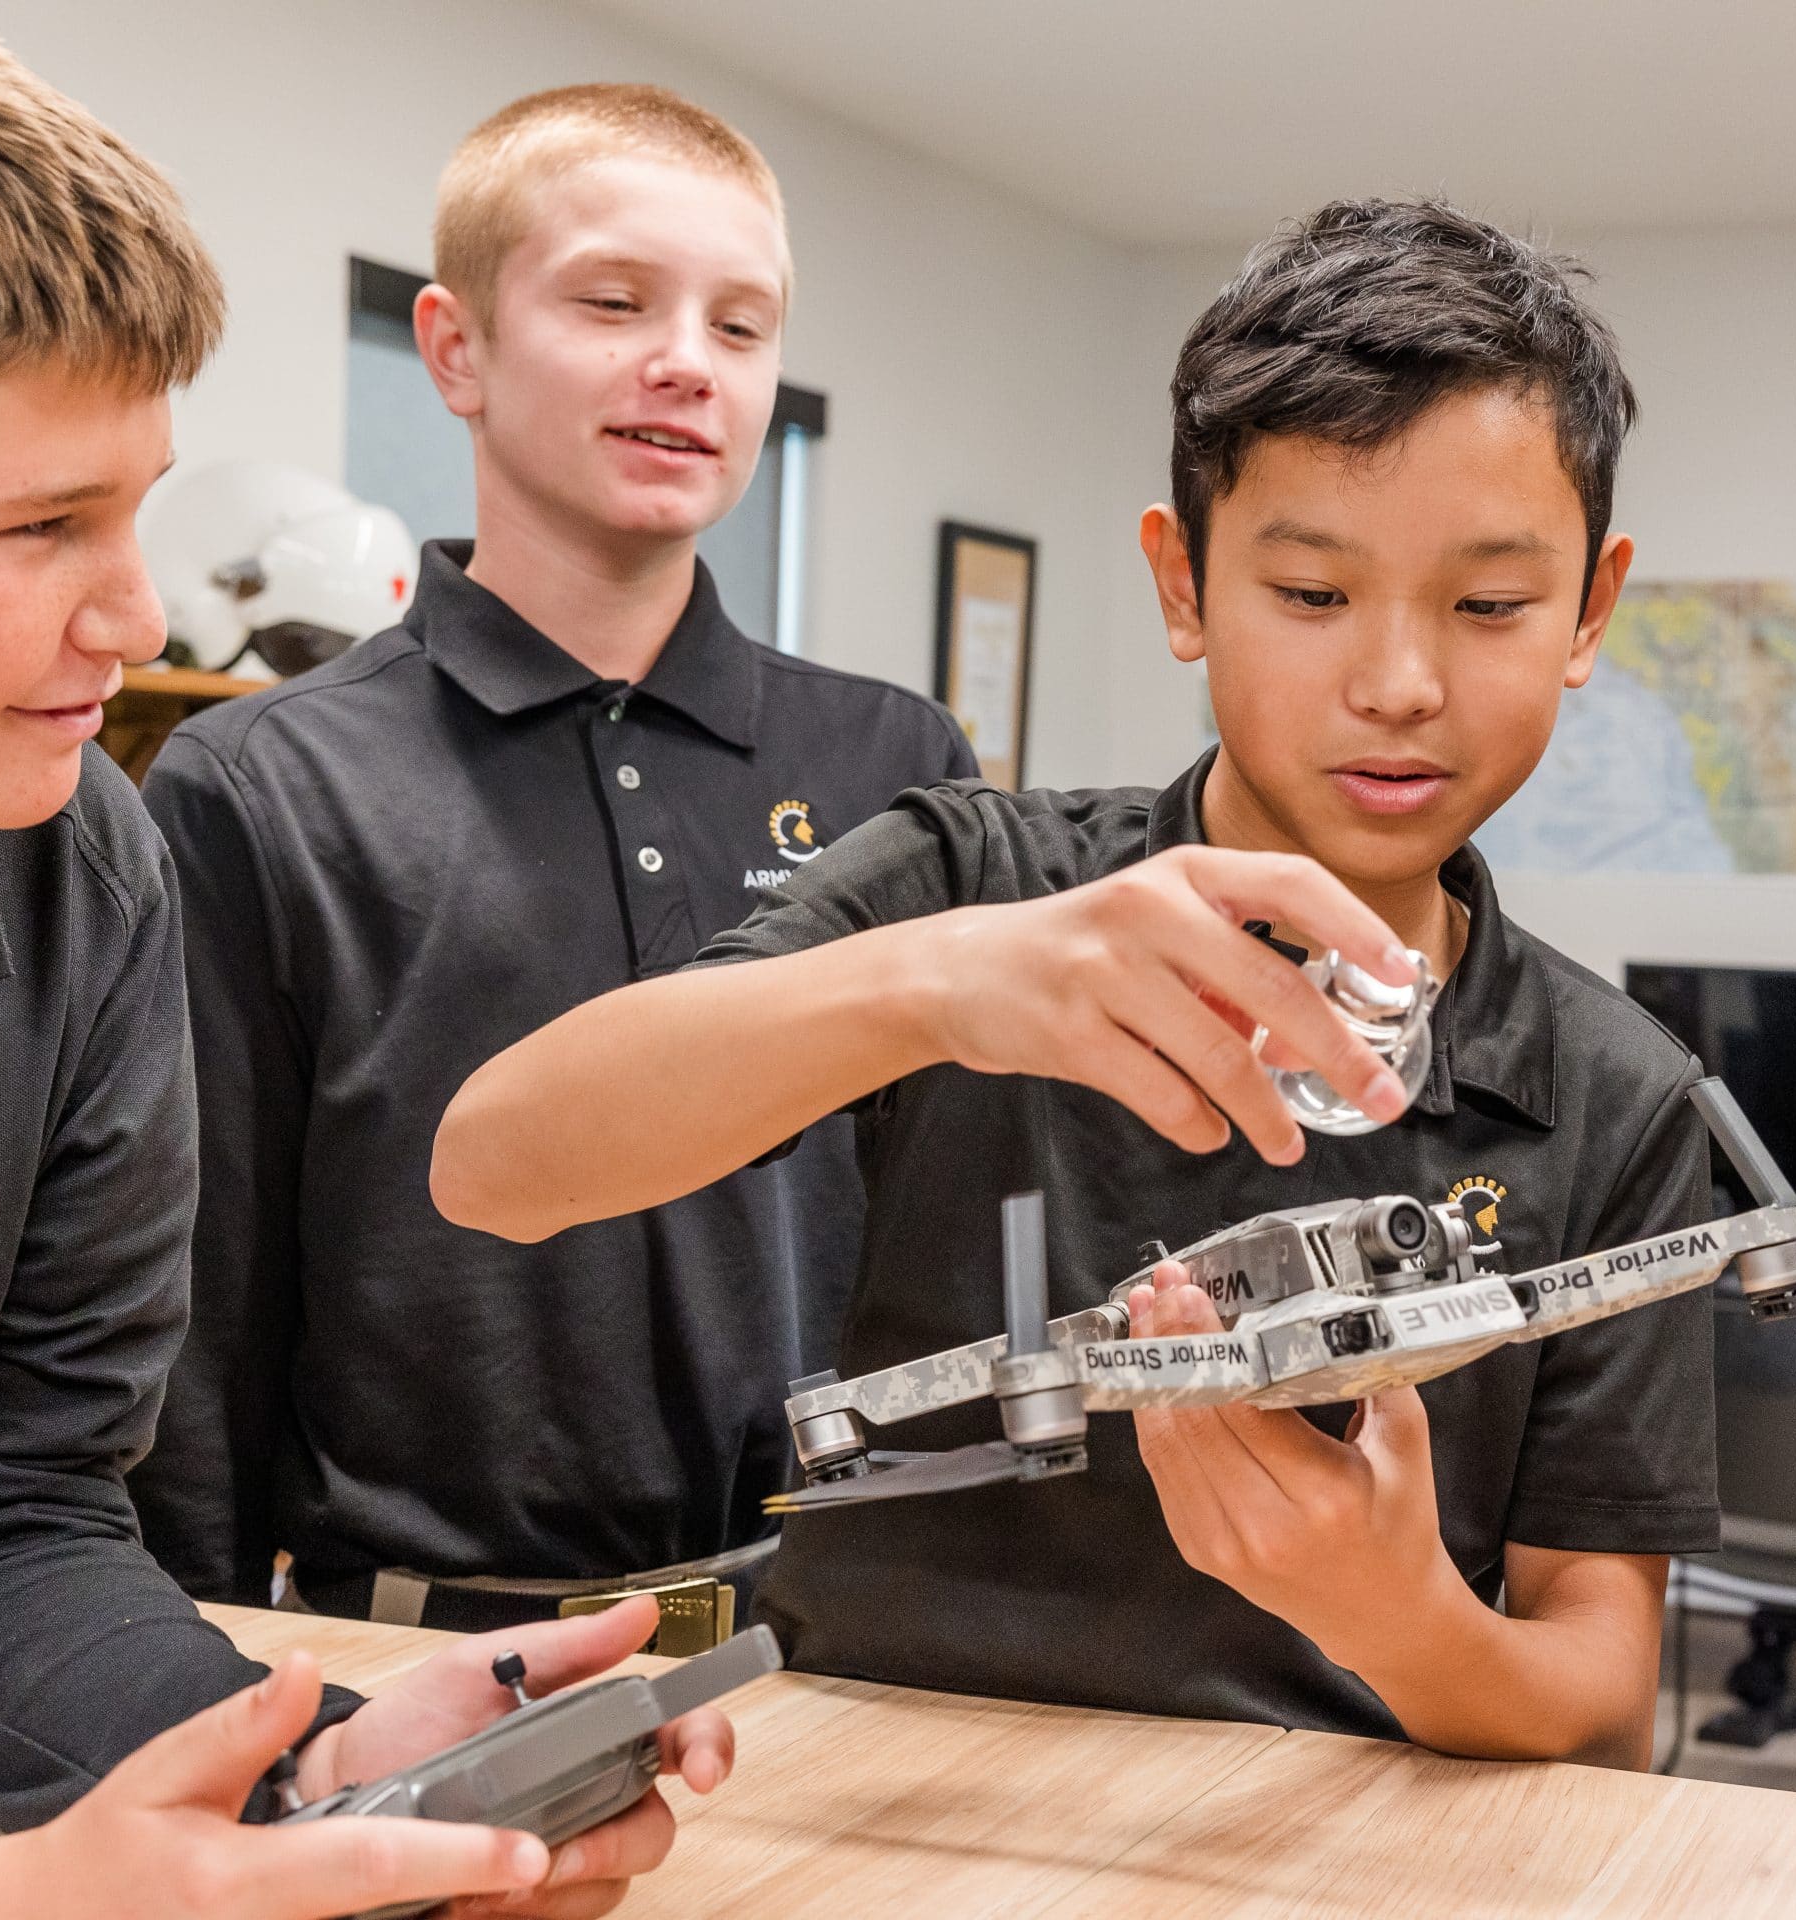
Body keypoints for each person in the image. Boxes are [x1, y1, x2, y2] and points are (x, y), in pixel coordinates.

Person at [431, 198, 1717, 1767]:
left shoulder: (1622, 1093)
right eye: (1311, 595)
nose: (1399, 682)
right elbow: (497, 1160)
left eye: (1491, 605)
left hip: (1335, 1846)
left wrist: (1390, 1611)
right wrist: (939, 982)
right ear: (1181, 585)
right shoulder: (979, 884)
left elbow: (1601, 1704)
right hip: (879, 1798)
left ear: (1591, 609)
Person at [0, 6, 727, 1914]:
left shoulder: (75, 866)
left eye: (139, 508)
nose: (139, 612)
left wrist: (281, 1761)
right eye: (41, 524)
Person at [124, 83, 975, 1646]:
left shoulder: (898, 767)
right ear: (454, 348)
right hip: (403, 1653)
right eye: (613, 302)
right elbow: (200, 1319)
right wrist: (199, 1684)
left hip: (835, 1649)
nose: (685, 365)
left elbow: (956, 1246)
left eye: (742, 326)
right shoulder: (264, 786)